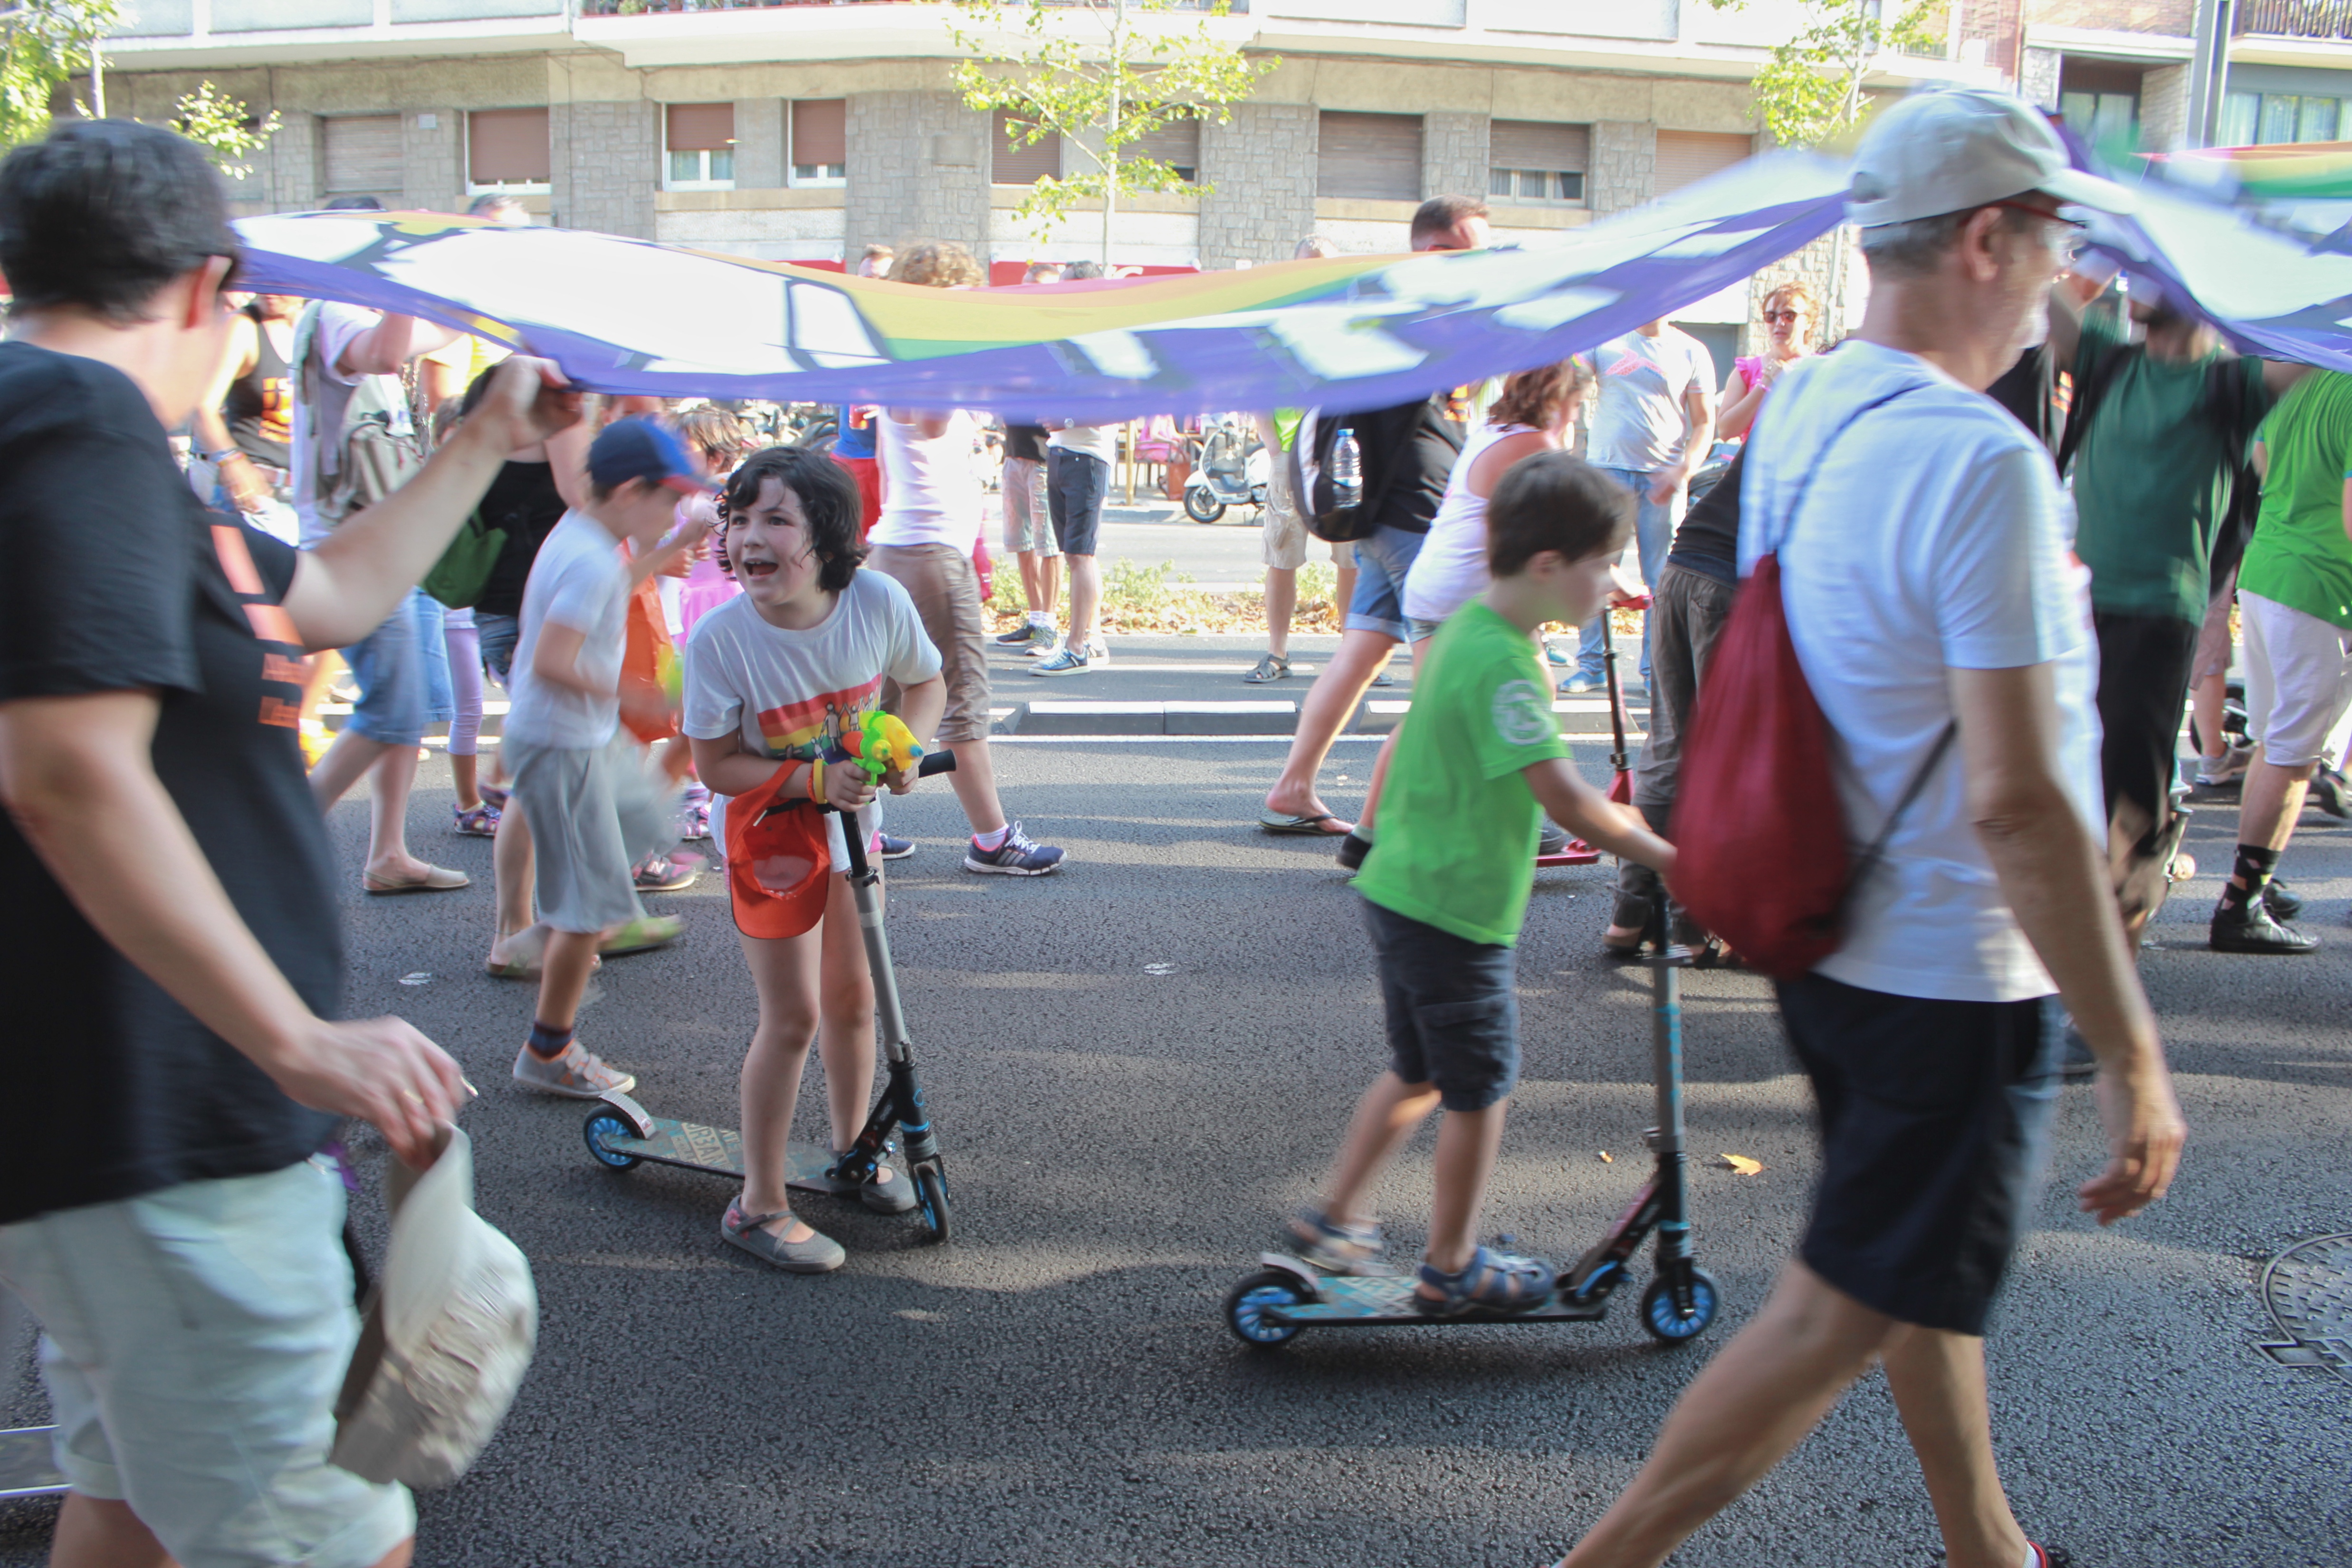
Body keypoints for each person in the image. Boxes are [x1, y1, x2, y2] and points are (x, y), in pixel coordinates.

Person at [1548, 89, 2185, 1568]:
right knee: (1841, 1304)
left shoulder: (1810, 403)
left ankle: (1989, 1546)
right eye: (2052, 242)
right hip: (1949, 968)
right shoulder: (1980, 462)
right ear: (1984, 240)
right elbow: (2018, 797)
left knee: (1904, 1267)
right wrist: (2131, 1050)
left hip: (1830, 922)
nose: (2059, 279)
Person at [0, 118, 569, 1568]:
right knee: (331, 1535)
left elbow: (320, 596)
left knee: (129, 1507)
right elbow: (63, 769)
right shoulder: (77, 421)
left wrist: (484, 435)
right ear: (208, 286)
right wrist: (294, 1039)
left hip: (120, 1125)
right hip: (164, 1115)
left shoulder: (93, 451)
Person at [1280, 451, 1674, 1310]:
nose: (1613, 582)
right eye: (1604, 564)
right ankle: (1451, 1262)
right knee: (1479, 1085)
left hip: (1404, 890)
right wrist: (1666, 854)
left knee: (1420, 1070)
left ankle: (1335, 1218)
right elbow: (1565, 798)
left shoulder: (1466, 630)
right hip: (1455, 913)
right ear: (1548, 565)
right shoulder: (1509, 667)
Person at [684, 447, 948, 1272]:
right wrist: (810, 780)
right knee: (793, 1015)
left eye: (775, 520)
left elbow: (926, 683)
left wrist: (907, 749)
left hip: (852, 836)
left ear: (828, 537)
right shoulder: (723, 640)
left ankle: (853, 1151)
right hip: (770, 841)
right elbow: (714, 766)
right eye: (738, 519)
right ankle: (758, 1205)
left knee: (854, 1000)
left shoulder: (876, 602)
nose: (747, 538)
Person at [2045, 271, 2302, 956]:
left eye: (2157, 266)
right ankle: (2065, 956)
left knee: (2126, 808)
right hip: (2075, 613)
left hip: (2157, 618)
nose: (2137, 276)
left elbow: (2313, 341)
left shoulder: (2230, 384)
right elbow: (2043, 291)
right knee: (2056, 786)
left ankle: (2111, 971)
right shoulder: (2108, 359)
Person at [1258, 195, 1492, 841]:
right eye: (1477, 251)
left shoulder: (1395, 314)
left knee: (1360, 652)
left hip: (1388, 517)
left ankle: (1294, 787)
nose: (1489, 266)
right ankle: (1405, 820)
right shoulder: (1420, 316)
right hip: (1417, 514)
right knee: (1449, 673)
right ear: (1437, 254)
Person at [504, 419, 701, 1098]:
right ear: (627, 492)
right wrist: (632, 693)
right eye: (668, 499)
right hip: (564, 746)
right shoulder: (590, 561)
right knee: (589, 912)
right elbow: (551, 659)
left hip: (572, 741)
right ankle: (549, 1051)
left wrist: (675, 543)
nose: (673, 512)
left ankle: (549, 929)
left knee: (640, 821)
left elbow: (611, 588)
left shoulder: (582, 537)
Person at [866, 240, 1065, 875]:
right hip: (927, 556)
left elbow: (894, 464)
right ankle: (991, 839)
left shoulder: (899, 364)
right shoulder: (922, 365)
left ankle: (856, 826)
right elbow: (929, 421)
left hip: (902, 548)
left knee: (885, 703)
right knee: (959, 703)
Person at [292, 268, 472, 893]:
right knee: (393, 707)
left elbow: (436, 335)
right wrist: (412, 274)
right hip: (357, 550)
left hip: (390, 544)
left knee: (407, 707)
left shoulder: (357, 313)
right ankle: (279, 838)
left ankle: (389, 853)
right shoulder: (335, 311)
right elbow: (388, 352)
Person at [2206, 369, 2352, 954]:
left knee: (2274, 745)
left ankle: (2254, 885)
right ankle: (2241, 904)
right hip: (2321, 588)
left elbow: (2261, 459)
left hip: (2269, 569)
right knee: (2293, 755)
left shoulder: (2305, 376)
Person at [1605, 444, 1743, 956]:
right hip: (1733, 583)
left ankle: (1629, 916)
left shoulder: (1791, 413)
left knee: (1670, 745)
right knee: (1728, 758)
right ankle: (1697, 923)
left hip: (1682, 569)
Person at [1565, 316, 1715, 694]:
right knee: (1595, 569)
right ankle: (1592, 666)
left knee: (1660, 578)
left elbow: (1704, 423)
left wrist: (1684, 470)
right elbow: (1569, 377)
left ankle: (1654, 672)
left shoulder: (1692, 351)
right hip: (1607, 471)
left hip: (1663, 478)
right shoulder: (1605, 339)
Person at [1245, 237, 1353, 687]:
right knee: (1282, 553)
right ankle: (1278, 652)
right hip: (1291, 452)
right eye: (1309, 267)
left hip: (1342, 449)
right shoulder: (1279, 322)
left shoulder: (1349, 322)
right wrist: (1273, 444)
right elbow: (1256, 384)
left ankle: (1352, 655)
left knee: (1351, 556)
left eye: (1325, 268)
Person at [1034, 257, 1117, 676]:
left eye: (1066, 285)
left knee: (1080, 555)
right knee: (1075, 556)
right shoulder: (1070, 340)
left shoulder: (1104, 342)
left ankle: (1077, 646)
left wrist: (1065, 418)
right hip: (1062, 453)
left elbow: (1119, 406)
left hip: (1087, 458)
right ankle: (1092, 638)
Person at [193, 290, 301, 545]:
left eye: (281, 284)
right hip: (257, 494)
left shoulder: (316, 327)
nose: (270, 292)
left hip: (306, 494)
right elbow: (203, 407)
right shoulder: (243, 327)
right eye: (266, 281)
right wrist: (233, 463)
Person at [1715, 280, 1817, 441]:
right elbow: (1725, 431)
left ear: (1808, 321)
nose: (1779, 323)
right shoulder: (1747, 370)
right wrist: (1764, 386)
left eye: (1789, 315)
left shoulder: (1822, 369)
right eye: (1771, 316)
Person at [994, 414, 1062, 649]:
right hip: (1013, 456)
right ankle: (1035, 620)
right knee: (1021, 542)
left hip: (1043, 461)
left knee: (1048, 544)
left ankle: (1049, 626)